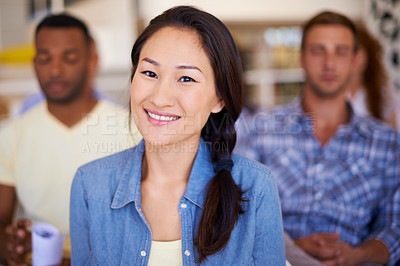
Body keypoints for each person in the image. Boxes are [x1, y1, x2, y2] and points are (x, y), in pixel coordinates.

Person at [70, 5, 285, 265]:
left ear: (219, 98)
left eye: (186, 79)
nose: (160, 98)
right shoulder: (89, 186)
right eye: (149, 73)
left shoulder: (257, 187)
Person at [235, 11, 400, 266]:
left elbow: (395, 225)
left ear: (355, 60)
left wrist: (358, 254)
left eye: (341, 51)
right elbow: (239, 210)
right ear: (301, 59)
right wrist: (289, 248)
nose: (329, 63)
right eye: (318, 50)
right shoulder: (260, 130)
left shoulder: (386, 143)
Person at [0, 13, 141, 265]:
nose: (55, 70)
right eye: (44, 58)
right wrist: (10, 242)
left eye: (70, 58)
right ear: (34, 63)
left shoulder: (132, 130)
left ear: (92, 61)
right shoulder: (12, 135)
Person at [346, 22, 399, 130]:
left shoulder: (384, 95)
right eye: (347, 52)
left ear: (368, 56)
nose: (355, 59)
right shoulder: (328, 92)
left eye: (358, 52)